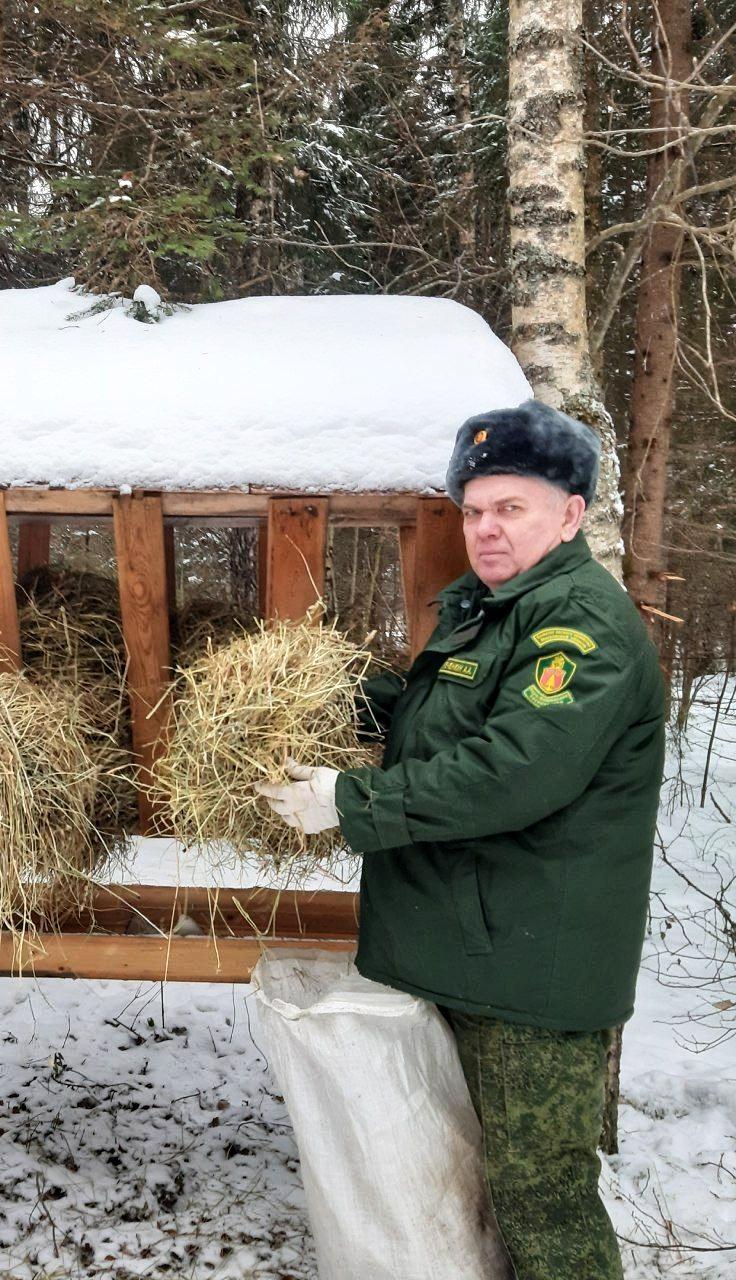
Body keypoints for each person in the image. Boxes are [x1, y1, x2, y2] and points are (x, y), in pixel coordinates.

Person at [258, 398, 666, 1280]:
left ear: (570, 512)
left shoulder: (580, 625)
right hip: (473, 945)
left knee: (539, 1197)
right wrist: (331, 702)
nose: (484, 529)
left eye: (510, 508)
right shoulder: (488, 610)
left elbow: (517, 770)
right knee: (465, 1182)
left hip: (529, 973)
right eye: (472, 510)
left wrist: (353, 803)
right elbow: (440, 722)